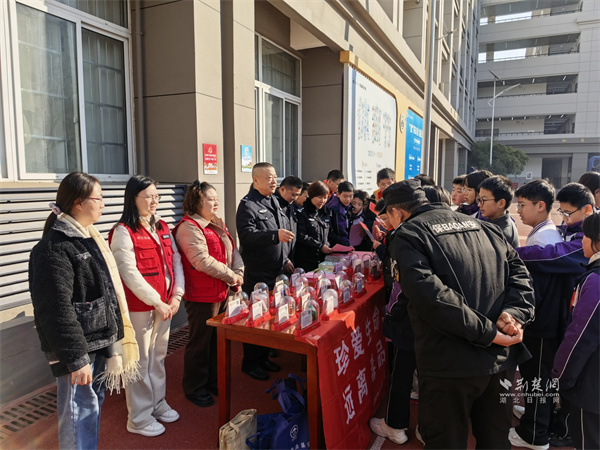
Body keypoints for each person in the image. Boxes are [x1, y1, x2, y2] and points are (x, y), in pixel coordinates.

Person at [385, 179, 535, 448]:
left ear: (397, 212)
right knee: (495, 440)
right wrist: (514, 315)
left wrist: (489, 332)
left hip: (449, 365)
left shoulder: (408, 234)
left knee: (446, 442)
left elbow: (433, 299)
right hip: (500, 361)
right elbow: (521, 277)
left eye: (387, 216)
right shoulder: (485, 227)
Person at [29, 172, 140, 449]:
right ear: (79, 203)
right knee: (77, 417)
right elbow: (54, 309)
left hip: (98, 342)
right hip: (79, 352)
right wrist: (76, 358)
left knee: (90, 410)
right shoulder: (53, 248)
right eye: (98, 198)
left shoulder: (88, 237)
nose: (103, 204)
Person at [109, 176, 184, 436]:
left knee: (158, 358)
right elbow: (129, 274)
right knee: (139, 361)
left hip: (166, 305)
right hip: (139, 308)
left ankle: (157, 403)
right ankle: (139, 417)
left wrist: (177, 295)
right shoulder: (123, 231)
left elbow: (175, 262)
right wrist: (157, 302)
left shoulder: (162, 226)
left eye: (156, 196)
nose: (154, 201)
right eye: (148, 196)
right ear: (133, 198)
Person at [508, 179, 576, 450]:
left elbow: (536, 291)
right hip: (547, 320)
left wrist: (523, 317)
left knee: (537, 376)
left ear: (540, 205)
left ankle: (534, 433)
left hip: (542, 322)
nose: (519, 211)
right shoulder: (546, 233)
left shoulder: (544, 238)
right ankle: (537, 417)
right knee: (538, 376)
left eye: (522, 205)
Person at [173, 181, 244, 405]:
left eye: (216, 199)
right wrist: (231, 276)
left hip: (221, 291)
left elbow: (232, 250)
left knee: (215, 341)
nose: (216, 203)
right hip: (201, 295)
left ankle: (212, 381)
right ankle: (194, 387)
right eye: (210, 199)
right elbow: (201, 260)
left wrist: (238, 272)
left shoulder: (215, 223)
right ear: (196, 202)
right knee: (200, 342)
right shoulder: (189, 227)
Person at [236, 163, 293, 380]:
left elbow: (282, 232)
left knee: (269, 318)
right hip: (258, 273)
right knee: (256, 318)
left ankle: (263, 357)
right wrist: (274, 235)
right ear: (256, 180)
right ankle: (251, 363)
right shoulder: (247, 205)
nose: (274, 181)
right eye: (269, 178)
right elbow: (247, 236)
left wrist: (285, 258)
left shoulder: (273, 201)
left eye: (275, 177)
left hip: (277, 271)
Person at [552, 212, 599, 450]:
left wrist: (561, 377)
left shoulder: (595, 282)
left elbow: (580, 337)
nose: (582, 241)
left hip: (591, 387)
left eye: (585, 236)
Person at [295, 181, 333, 271]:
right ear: (311, 196)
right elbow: (301, 236)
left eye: (325, 198)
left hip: (324, 260)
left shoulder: (326, 212)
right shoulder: (302, 213)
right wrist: (320, 246)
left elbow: (330, 233)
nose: (322, 201)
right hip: (307, 261)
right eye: (319, 197)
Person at [477, 175, 520, 248]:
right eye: (479, 199)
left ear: (501, 203)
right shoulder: (504, 221)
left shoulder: (498, 233)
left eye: (483, 200)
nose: (479, 204)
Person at [275, 176, 303, 268]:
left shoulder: (291, 205)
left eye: (298, 195)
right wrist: (284, 259)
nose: (295, 198)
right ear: (282, 189)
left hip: (290, 257)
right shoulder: (273, 205)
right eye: (293, 194)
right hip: (278, 261)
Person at [327, 180, 354, 247]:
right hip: (336, 244)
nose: (348, 199)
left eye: (350, 196)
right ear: (338, 194)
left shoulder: (346, 205)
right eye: (345, 196)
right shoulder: (336, 209)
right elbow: (340, 231)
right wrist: (347, 244)